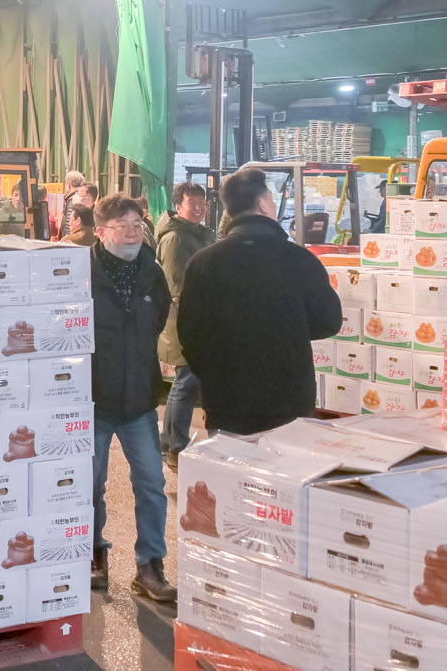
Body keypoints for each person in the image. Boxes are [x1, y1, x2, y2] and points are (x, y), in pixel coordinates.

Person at [178, 167, 342, 435]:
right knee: (286, 460)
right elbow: (329, 321)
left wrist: (212, 373)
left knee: (229, 461)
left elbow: (190, 333)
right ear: (263, 204)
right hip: (288, 397)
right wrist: (290, 330)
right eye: (271, 199)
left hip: (225, 399)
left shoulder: (204, 262)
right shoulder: (299, 259)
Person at [86, 194, 176, 603]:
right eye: (122, 226)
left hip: (139, 399)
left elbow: (156, 319)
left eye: (138, 225)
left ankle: (150, 565)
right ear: (100, 232)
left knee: (152, 483)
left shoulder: (152, 273)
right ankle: (93, 553)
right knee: (90, 483)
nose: (132, 233)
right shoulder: (81, 272)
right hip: (94, 399)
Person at [154, 182, 214, 467]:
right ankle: (176, 446)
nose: (199, 207)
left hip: (196, 316)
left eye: (202, 202)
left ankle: (169, 441)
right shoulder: (176, 238)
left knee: (186, 381)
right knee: (187, 382)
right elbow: (176, 288)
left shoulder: (196, 233)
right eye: (193, 203)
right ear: (178, 206)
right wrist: (196, 320)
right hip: (185, 320)